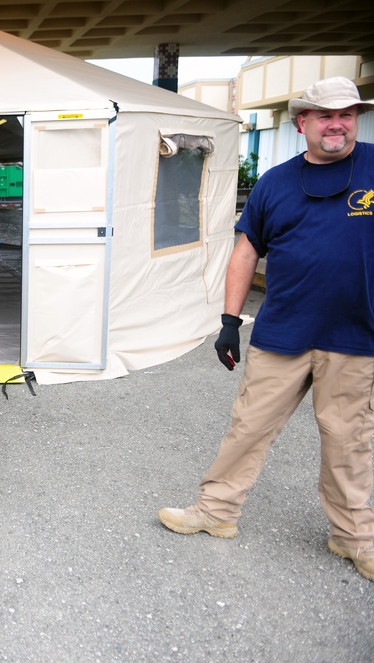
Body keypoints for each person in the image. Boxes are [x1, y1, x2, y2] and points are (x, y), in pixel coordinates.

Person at [158, 77, 374, 582]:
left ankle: (354, 538)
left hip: (356, 336)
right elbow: (246, 252)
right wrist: (230, 322)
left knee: (348, 440)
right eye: (325, 115)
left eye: (346, 114)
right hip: (283, 332)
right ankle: (216, 513)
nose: (337, 124)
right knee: (248, 428)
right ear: (303, 122)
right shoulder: (276, 182)